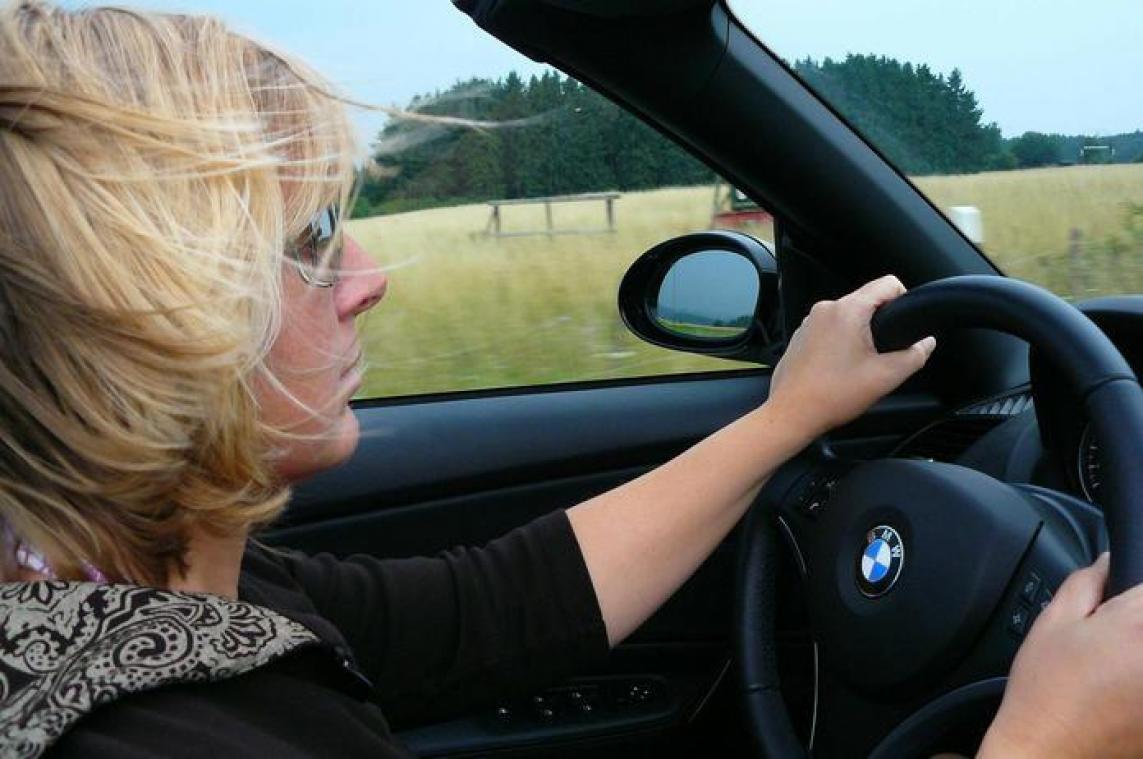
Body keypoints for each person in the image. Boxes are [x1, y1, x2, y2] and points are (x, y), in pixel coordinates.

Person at [0, 2, 1142, 757]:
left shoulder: (165, 587)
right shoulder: (149, 732)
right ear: (151, 319)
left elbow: (498, 610)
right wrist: (1042, 739)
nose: (368, 279)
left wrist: (791, 414)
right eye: (309, 236)